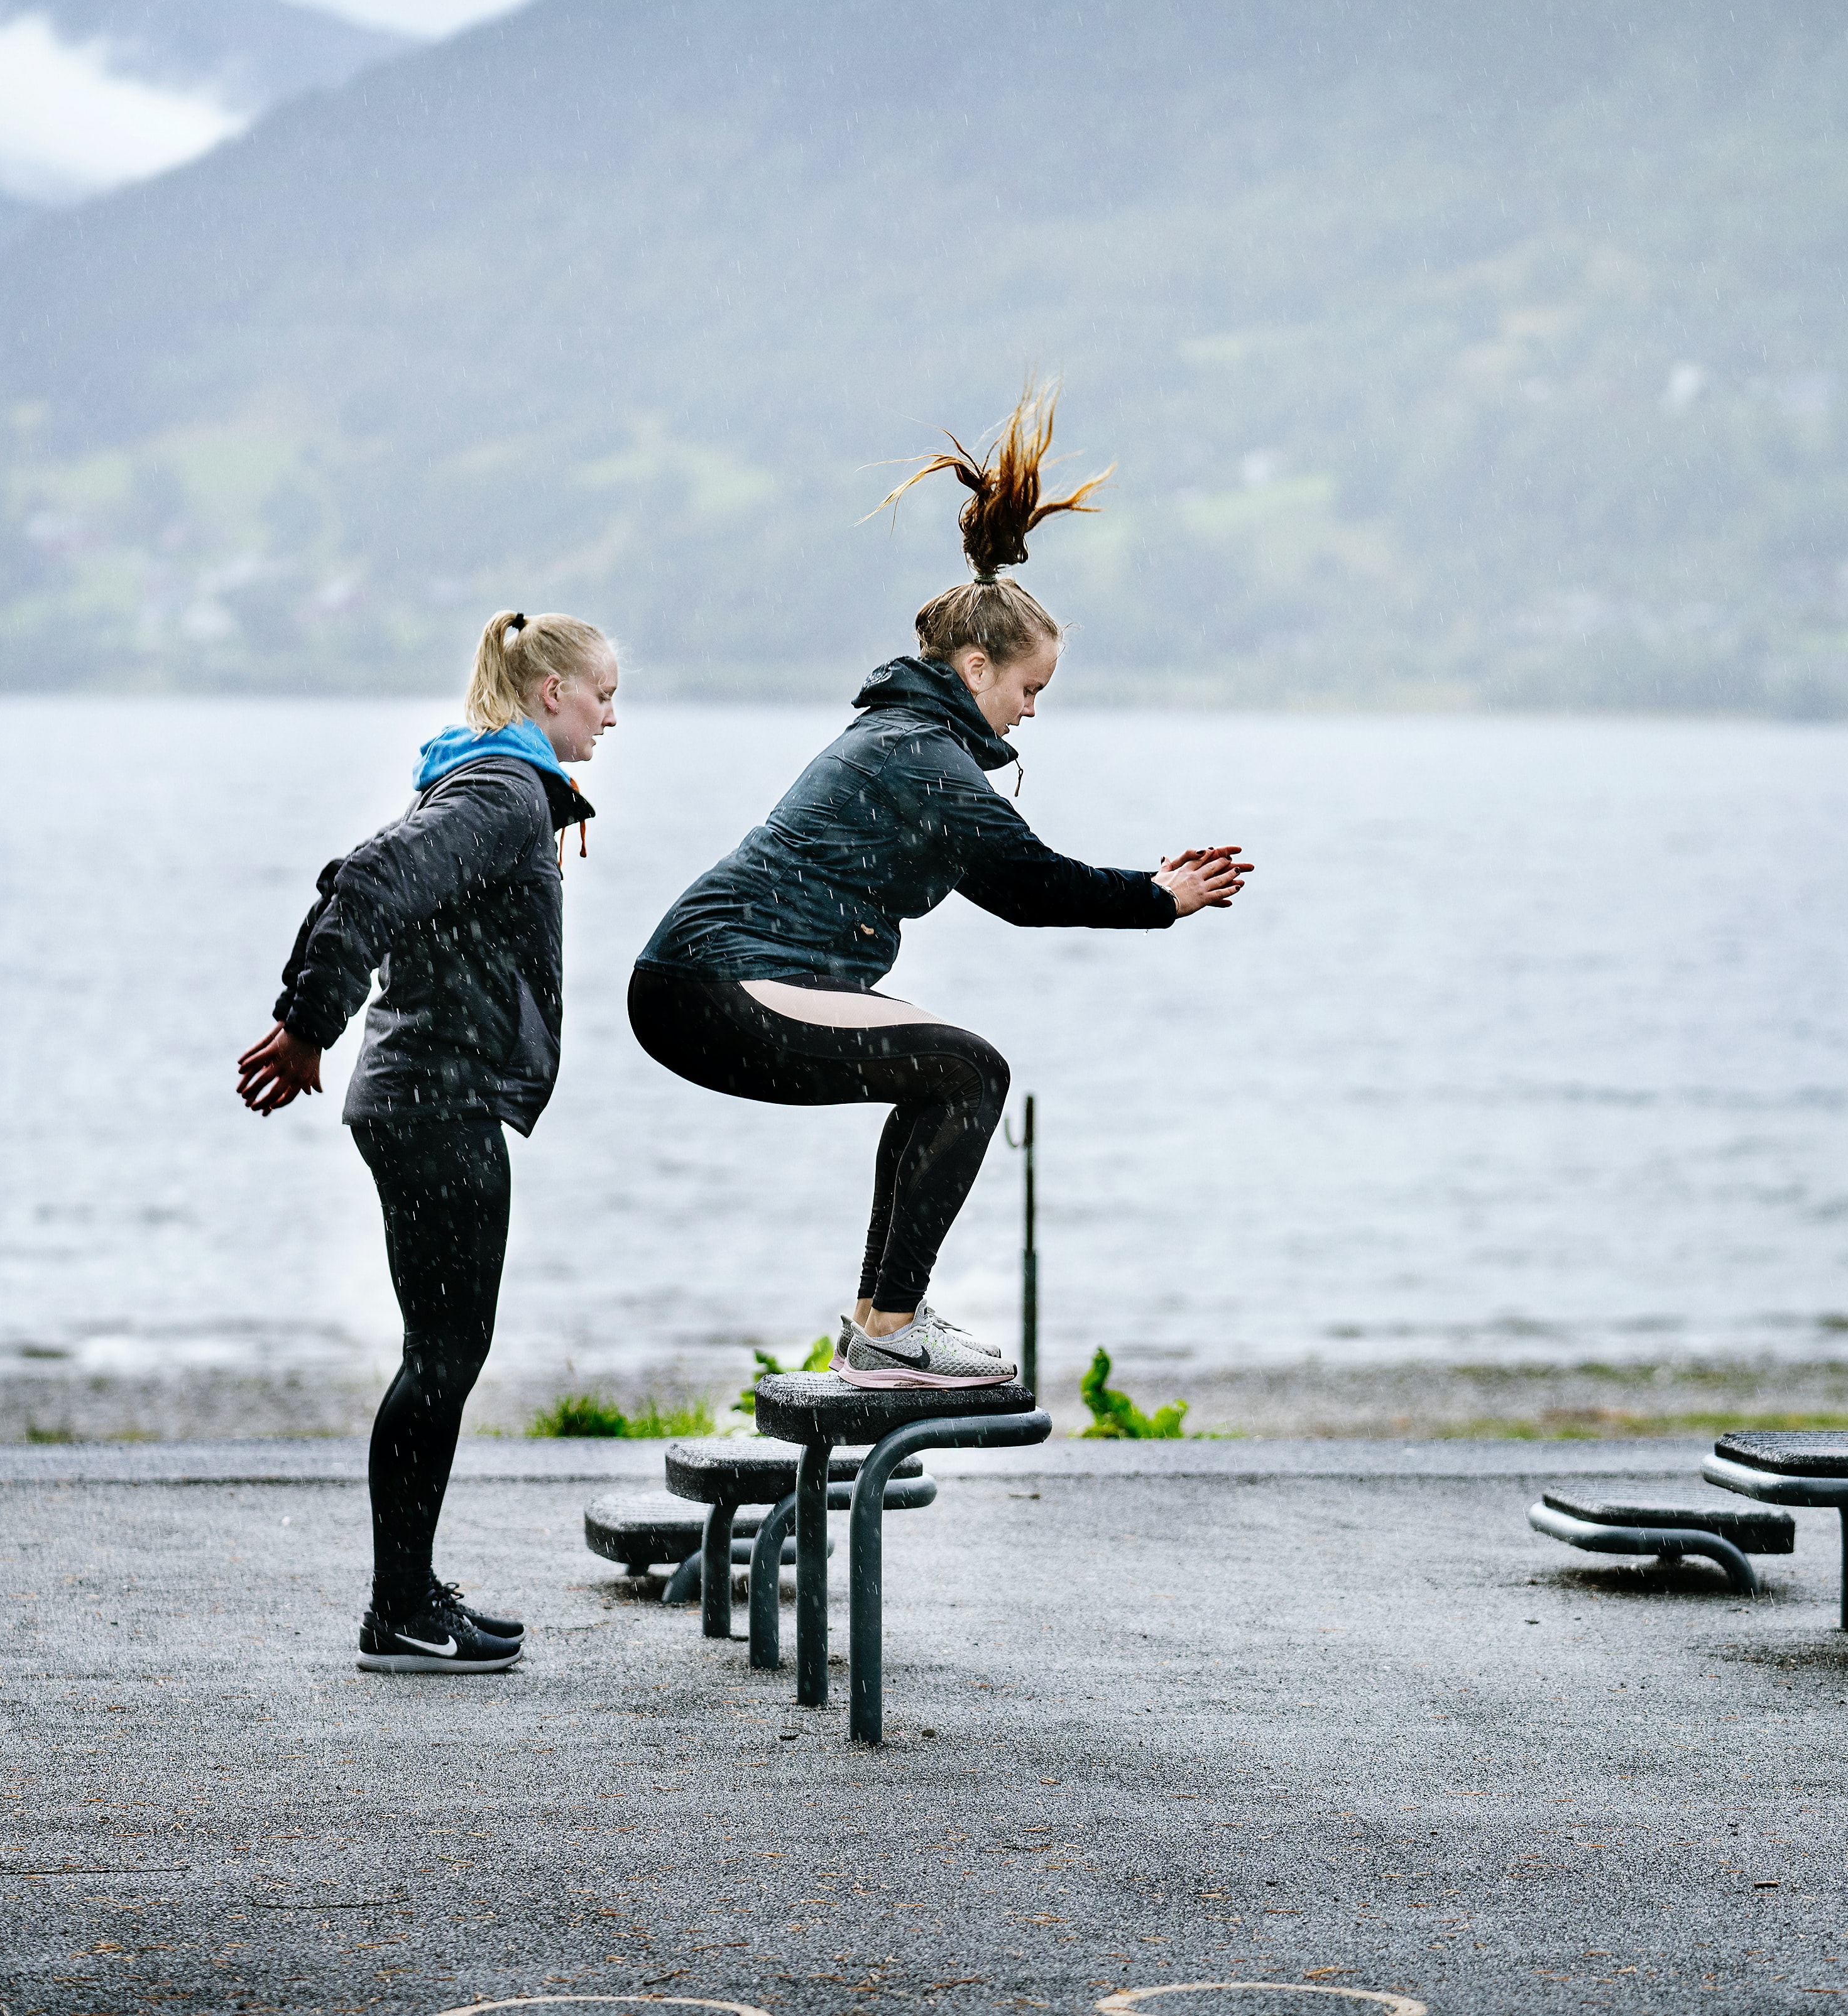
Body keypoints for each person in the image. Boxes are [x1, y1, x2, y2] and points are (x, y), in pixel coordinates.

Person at [631, 389, 1249, 1388]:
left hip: (709, 981)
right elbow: (1032, 882)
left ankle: (882, 1323)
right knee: (968, 1072)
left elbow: (1003, 890)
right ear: (973, 666)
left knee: (945, 1070)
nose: (1032, 711)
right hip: (713, 985)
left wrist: (1148, 890)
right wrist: (1157, 897)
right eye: (1028, 689)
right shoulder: (918, 756)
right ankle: (891, 1327)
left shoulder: (909, 744)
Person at [237, 609, 619, 1670]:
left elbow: (364, 881)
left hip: (426, 1098)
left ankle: (407, 1597)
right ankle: (399, 1611)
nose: (610, 713)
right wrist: (309, 1023)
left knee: (442, 1354)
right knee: (444, 1357)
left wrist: (308, 1018)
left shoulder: (480, 784)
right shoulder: (500, 793)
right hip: (433, 1105)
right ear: (550, 694)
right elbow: (365, 883)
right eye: (601, 694)